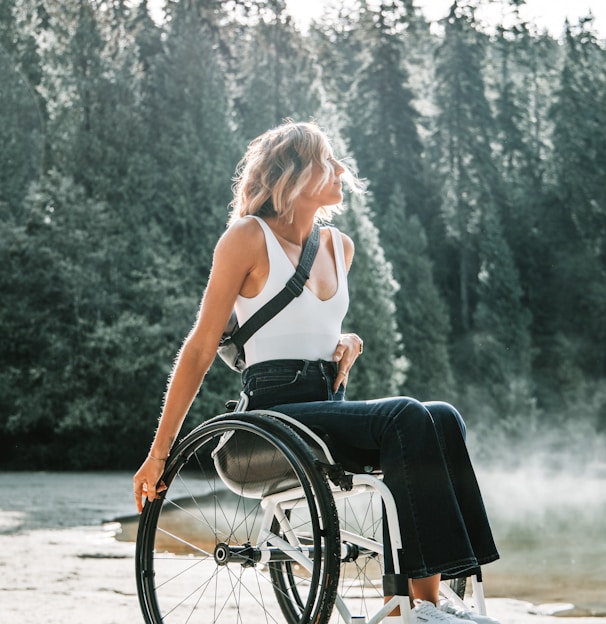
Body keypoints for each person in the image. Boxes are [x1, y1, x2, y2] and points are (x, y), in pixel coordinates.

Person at [133, 120, 500, 624]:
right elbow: (199, 347)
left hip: (323, 405)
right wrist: (160, 454)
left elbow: (312, 326)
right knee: (408, 415)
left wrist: (344, 342)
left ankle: (423, 601)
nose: (341, 170)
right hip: (266, 421)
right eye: (329, 161)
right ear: (295, 174)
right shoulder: (245, 238)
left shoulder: (338, 246)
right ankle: (424, 609)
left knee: (441, 417)